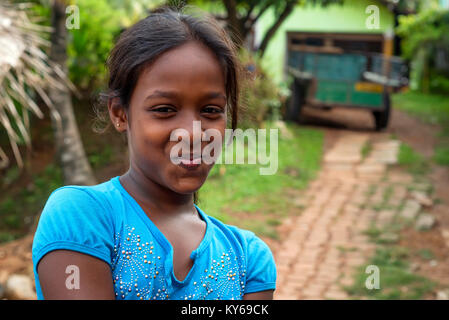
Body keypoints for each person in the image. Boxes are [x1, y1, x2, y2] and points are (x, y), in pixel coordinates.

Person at [32, 6, 276, 300]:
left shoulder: (248, 260)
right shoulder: (82, 218)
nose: (193, 133)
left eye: (211, 111)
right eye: (164, 110)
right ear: (120, 114)